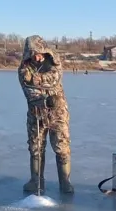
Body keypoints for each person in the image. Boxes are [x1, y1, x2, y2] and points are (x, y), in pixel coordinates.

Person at [18, 35, 74, 194]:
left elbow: (54, 79)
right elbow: (29, 91)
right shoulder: (24, 68)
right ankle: (36, 181)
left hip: (58, 114)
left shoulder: (54, 63)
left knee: (61, 147)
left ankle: (65, 182)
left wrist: (34, 79)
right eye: (33, 53)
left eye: (40, 52)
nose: (37, 56)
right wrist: (44, 101)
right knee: (36, 148)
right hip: (36, 114)